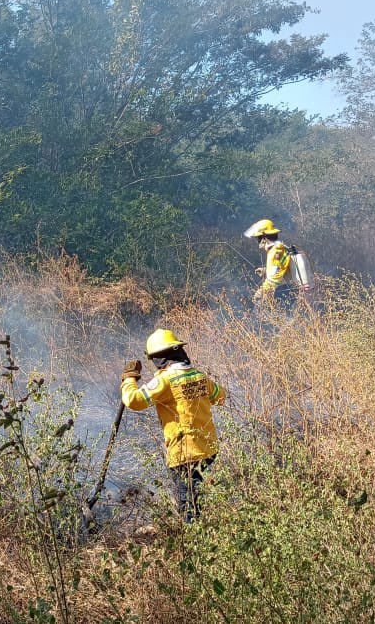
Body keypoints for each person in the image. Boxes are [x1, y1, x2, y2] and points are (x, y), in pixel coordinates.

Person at [121, 329, 226, 522]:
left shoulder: (165, 380)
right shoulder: (199, 376)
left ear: (158, 358)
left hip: (184, 454)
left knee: (189, 507)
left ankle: (195, 543)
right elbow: (220, 397)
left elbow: (133, 400)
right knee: (199, 498)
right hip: (208, 450)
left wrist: (129, 378)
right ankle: (209, 534)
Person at [243, 218, 294, 305]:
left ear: (264, 238)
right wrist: (266, 271)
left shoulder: (275, 251)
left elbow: (276, 277)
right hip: (285, 289)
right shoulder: (278, 249)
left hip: (281, 292)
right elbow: (280, 268)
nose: (258, 241)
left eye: (258, 238)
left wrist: (263, 291)